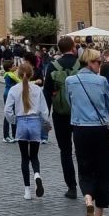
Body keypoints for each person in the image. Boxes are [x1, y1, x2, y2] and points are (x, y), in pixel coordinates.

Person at [66, 48, 109, 216]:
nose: (100, 66)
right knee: (103, 170)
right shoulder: (101, 81)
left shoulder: (70, 81)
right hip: (100, 129)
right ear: (90, 62)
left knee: (85, 167)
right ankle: (99, 214)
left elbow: (69, 101)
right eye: (98, 62)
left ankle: (88, 199)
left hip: (79, 129)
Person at [4, 58, 47, 198]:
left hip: (21, 122)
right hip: (35, 123)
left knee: (24, 158)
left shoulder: (14, 90)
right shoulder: (37, 89)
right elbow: (44, 110)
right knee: (34, 156)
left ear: (18, 74)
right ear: (31, 74)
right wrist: (44, 123)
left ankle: (27, 190)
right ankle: (37, 175)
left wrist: (14, 121)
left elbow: (7, 110)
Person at [46, 43, 80, 199]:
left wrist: (45, 115)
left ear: (59, 49)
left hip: (60, 113)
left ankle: (71, 186)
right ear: (73, 47)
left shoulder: (52, 66)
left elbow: (47, 92)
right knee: (82, 150)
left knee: (65, 150)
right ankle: (86, 184)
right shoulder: (81, 63)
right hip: (80, 113)